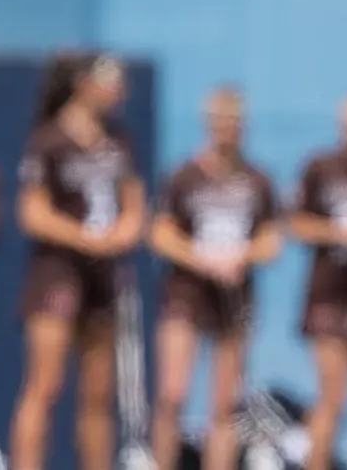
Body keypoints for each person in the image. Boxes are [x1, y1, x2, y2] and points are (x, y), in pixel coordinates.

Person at [8, 53, 148, 470]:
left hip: (104, 279)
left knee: (99, 394)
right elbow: (33, 213)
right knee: (45, 386)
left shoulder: (119, 141)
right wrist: (84, 238)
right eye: (110, 81)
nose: (119, 90)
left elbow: (135, 207)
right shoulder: (48, 140)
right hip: (57, 275)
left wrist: (122, 233)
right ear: (84, 84)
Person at [148, 86, 280, 470]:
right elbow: (161, 233)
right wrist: (200, 258)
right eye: (221, 120)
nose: (227, 128)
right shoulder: (184, 176)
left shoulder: (257, 180)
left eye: (234, 121)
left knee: (225, 404)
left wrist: (241, 256)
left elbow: (271, 240)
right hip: (186, 294)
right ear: (209, 124)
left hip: (233, 298)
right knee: (172, 393)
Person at [289, 97, 347, 470]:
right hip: (330, 295)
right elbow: (296, 223)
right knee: (332, 395)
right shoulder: (321, 168)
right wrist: (339, 233)